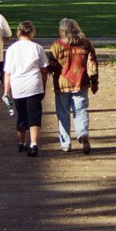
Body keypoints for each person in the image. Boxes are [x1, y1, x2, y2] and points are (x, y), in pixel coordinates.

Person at [48, 18, 99, 154]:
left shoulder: (57, 45)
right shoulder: (85, 43)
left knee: (63, 113)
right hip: (80, 82)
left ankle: (65, 143)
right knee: (81, 111)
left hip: (62, 83)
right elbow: (92, 63)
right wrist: (94, 81)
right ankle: (83, 134)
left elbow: (51, 65)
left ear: (62, 31)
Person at [3, 21, 49, 156]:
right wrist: (44, 84)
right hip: (34, 84)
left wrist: (6, 91)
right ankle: (33, 143)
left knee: (22, 115)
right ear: (32, 32)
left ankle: (22, 142)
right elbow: (44, 69)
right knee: (34, 114)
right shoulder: (37, 48)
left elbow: (8, 73)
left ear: (19, 32)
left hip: (18, 86)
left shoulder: (12, 49)